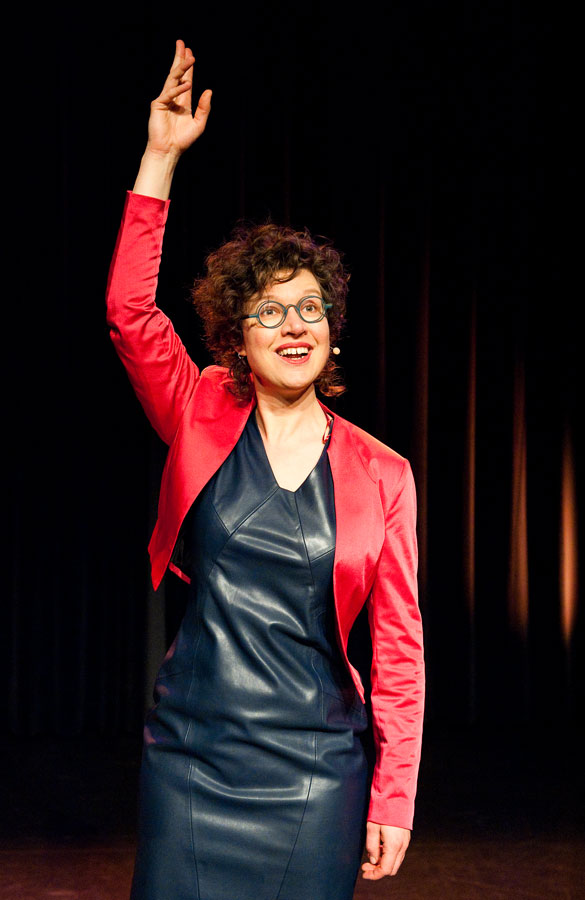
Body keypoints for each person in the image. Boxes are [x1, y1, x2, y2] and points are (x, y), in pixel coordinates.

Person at [106, 39, 425, 900]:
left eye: (309, 308)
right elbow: (129, 313)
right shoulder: (199, 411)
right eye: (269, 310)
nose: (293, 324)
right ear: (235, 338)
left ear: (330, 332)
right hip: (192, 757)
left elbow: (399, 648)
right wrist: (160, 157)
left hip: (319, 771)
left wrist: (392, 798)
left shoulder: (382, 472)